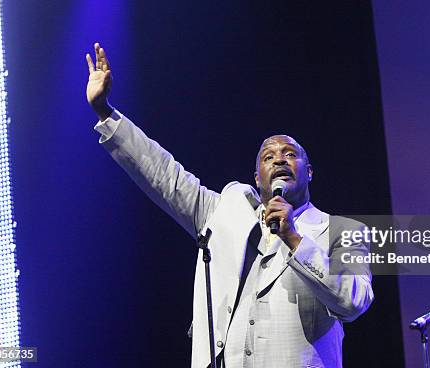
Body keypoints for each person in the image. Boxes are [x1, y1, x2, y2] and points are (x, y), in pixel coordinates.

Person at [85, 42, 374, 368]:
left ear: (309, 172)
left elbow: (353, 301)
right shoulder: (223, 212)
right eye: (268, 157)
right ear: (257, 177)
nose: (279, 159)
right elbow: (164, 174)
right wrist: (105, 113)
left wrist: (294, 239)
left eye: (290, 154)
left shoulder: (342, 231)